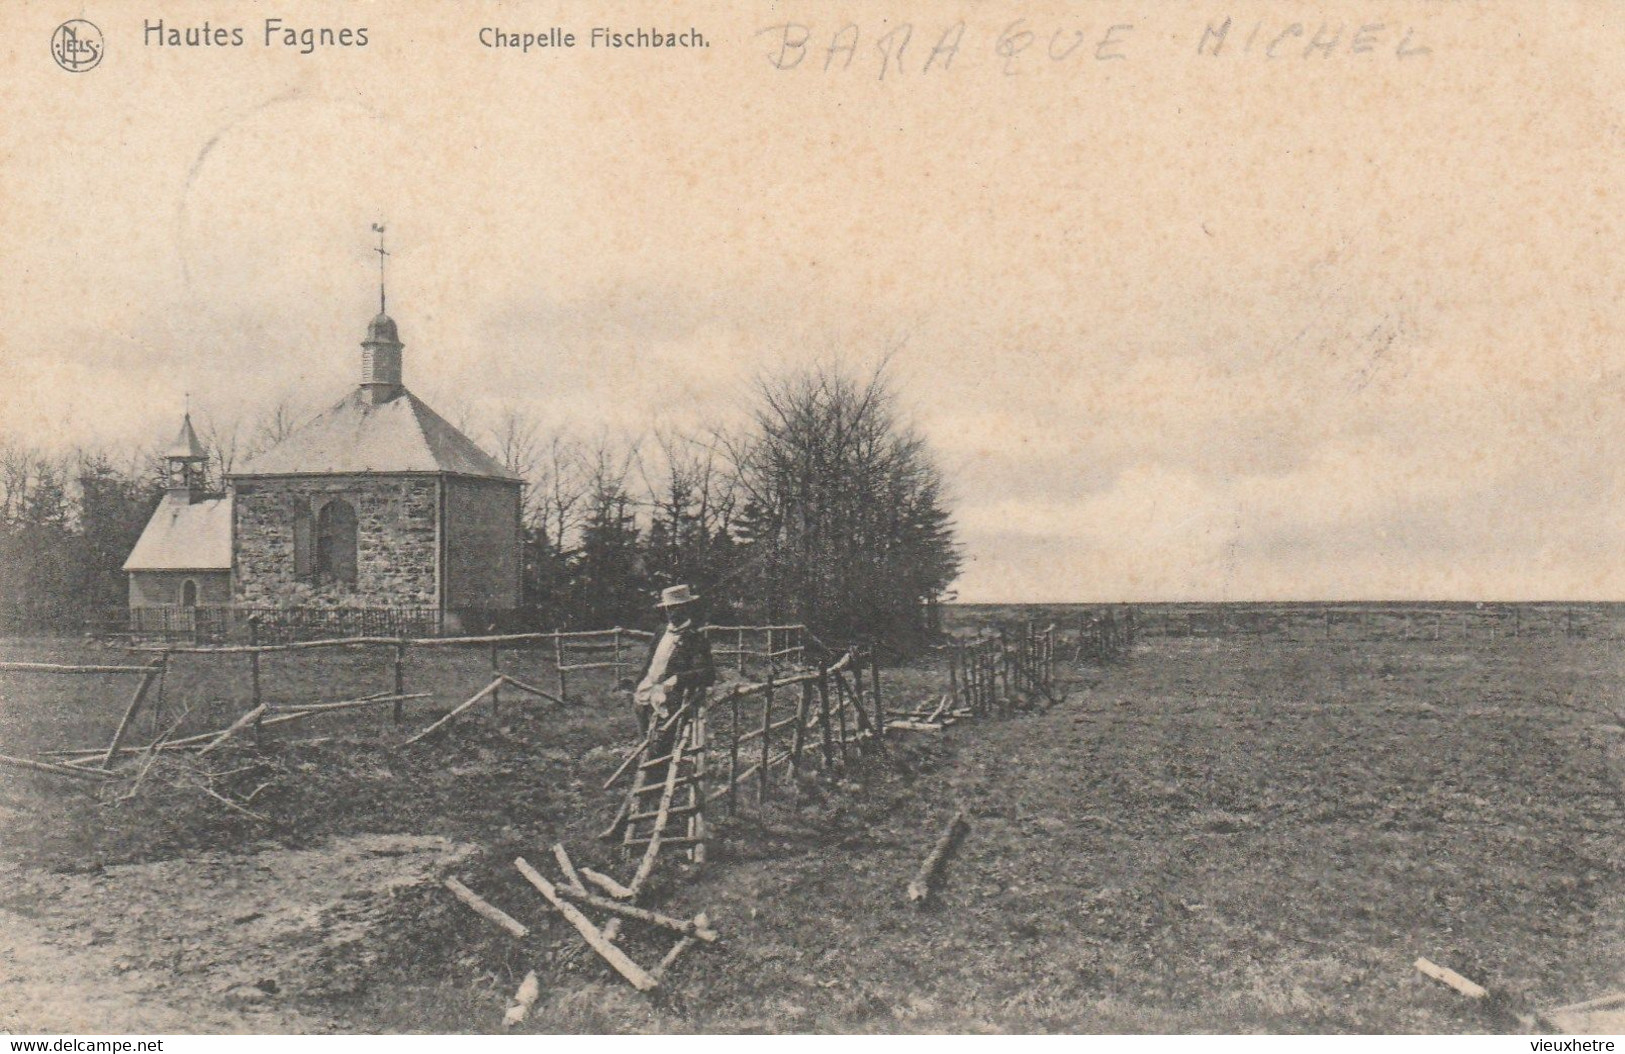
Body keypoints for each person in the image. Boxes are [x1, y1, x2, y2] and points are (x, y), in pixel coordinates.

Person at [631, 584, 716, 743]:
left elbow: (707, 673)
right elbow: (651, 660)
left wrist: (678, 679)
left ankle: (660, 755)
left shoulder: (695, 638)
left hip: (671, 695)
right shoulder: (661, 631)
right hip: (649, 687)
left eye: (676, 608)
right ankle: (646, 748)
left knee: (663, 736)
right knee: (642, 720)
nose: (671, 613)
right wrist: (639, 683)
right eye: (668, 608)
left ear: (687, 608)